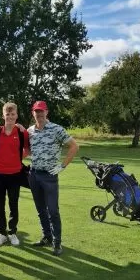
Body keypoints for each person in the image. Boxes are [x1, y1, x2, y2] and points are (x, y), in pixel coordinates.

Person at [27, 100, 79, 256]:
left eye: (42, 111)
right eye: (37, 111)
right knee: (40, 209)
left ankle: (57, 242)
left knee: (53, 210)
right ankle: (47, 237)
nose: (39, 114)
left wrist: (62, 166)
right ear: (33, 113)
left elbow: (74, 146)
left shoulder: (56, 129)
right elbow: (26, 150)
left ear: (46, 112)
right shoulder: (30, 131)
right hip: (34, 174)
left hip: (49, 176)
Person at [0, 102, 29, 247]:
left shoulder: (22, 132)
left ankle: (12, 232)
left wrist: (17, 159)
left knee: (13, 203)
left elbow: (27, 149)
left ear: (16, 115)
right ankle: (2, 233)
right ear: (3, 115)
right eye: (7, 114)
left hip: (15, 173)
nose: (10, 117)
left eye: (13, 114)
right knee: (0, 204)